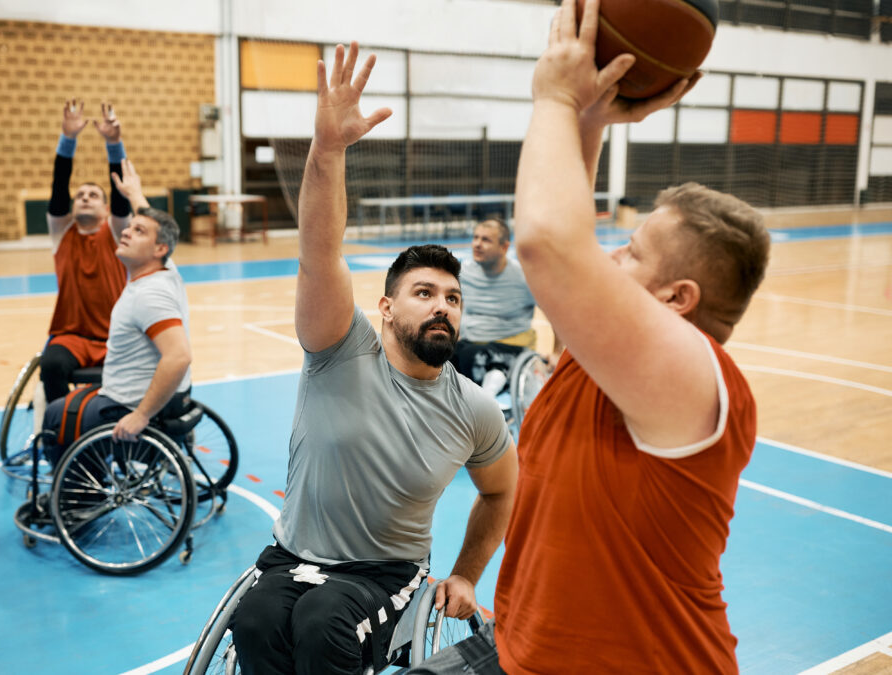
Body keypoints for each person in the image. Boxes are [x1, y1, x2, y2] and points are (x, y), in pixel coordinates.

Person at [407, 0, 770, 673]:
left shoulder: (694, 376)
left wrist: (552, 93)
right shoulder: (605, 363)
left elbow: (547, 243)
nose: (606, 260)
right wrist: (589, 118)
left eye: (629, 251)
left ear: (676, 299)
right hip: (524, 647)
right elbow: (562, 239)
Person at [229, 43, 518, 675]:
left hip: (383, 577)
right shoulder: (340, 347)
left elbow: (500, 493)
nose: (442, 306)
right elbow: (319, 249)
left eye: (453, 297)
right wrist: (327, 150)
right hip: (290, 556)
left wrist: (467, 574)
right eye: (424, 293)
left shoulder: (473, 409)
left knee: (322, 622)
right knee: (251, 620)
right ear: (385, 308)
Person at [40, 158, 191, 469]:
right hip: (134, 384)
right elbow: (157, 228)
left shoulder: (148, 294)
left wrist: (141, 415)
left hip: (129, 402)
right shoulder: (165, 271)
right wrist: (136, 193)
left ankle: (79, 493)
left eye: (137, 231)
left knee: (56, 414)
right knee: (55, 374)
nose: (127, 232)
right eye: (130, 227)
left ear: (158, 248)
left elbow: (179, 356)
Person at [40, 99, 131, 403]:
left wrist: (114, 144)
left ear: (106, 209)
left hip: (116, 335)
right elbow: (57, 188)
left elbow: (121, 196)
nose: (85, 197)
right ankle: (60, 432)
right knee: (50, 365)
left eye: (93, 195)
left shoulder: (117, 232)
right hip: (72, 337)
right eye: (79, 195)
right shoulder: (62, 232)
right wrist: (68, 140)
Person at [450, 218, 538, 396]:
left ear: (504, 247)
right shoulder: (464, 273)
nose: (477, 244)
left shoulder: (525, 278)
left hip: (509, 346)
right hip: (470, 345)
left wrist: (555, 352)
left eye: (486, 240)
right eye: (475, 238)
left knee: (477, 358)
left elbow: (555, 313)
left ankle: (486, 402)